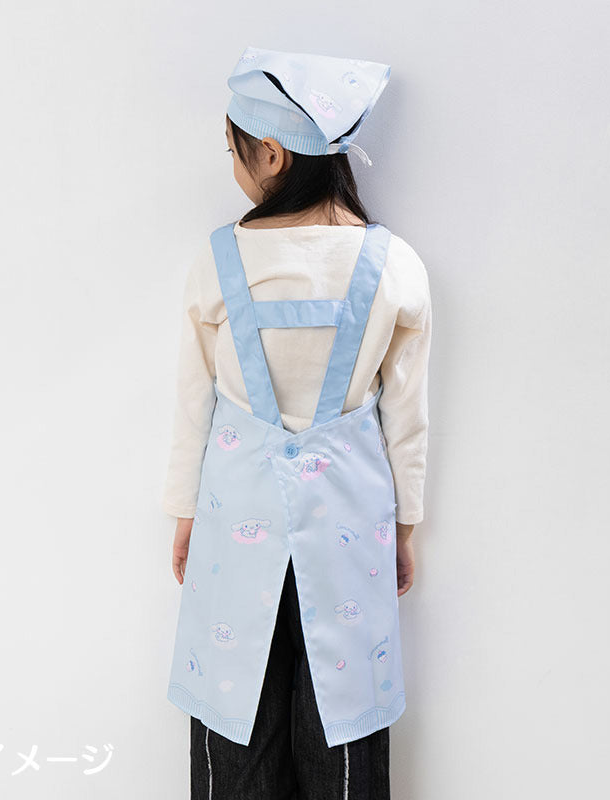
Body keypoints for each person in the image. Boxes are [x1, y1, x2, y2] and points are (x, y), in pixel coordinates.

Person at [162, 46, 432, 799]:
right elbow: (408, 417)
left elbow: (193, 402)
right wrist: (405, 526)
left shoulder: (219, 260)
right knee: (343, 736)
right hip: (350, 530)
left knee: (234, 729)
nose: (234, 167)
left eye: (235, 151)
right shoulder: (395, 265)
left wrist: (185, 512)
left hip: (234, 523)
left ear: (272, 153)